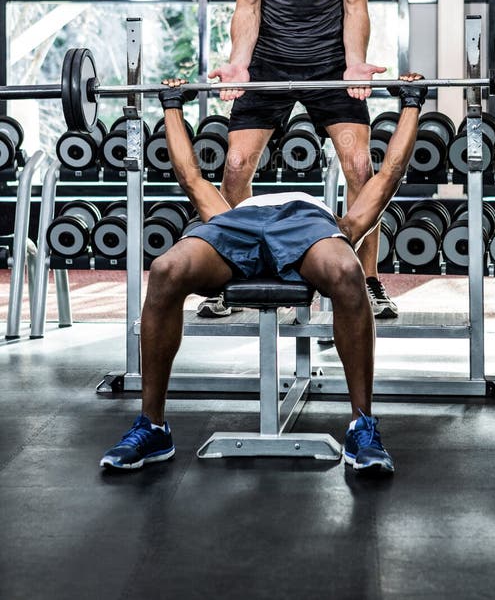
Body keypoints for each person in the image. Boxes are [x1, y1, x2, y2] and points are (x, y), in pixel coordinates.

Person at [100, 75, 427, 475]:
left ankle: (363, 426)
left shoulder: (330, 222)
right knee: (166, 268)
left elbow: (388, 174)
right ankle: (152, 427)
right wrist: (171, 103)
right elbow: (191, 177)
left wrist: (413, 102)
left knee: (346, 270)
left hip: (305, 225)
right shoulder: (228, 212)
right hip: (240, 225)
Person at [198, 0, 397, 320]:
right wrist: (239, 62)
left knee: (359, 167)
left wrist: (355, 61)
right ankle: (231, 277)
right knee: (236, 166)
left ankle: (366, 279)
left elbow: (355, 5)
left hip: (331, 62)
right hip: (268, 62)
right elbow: (248, 5)